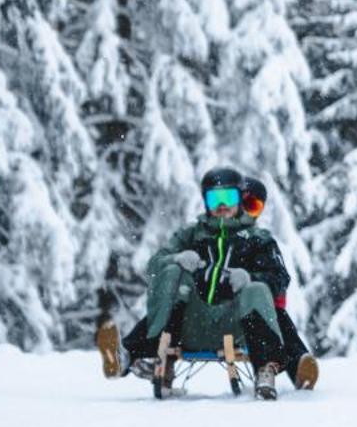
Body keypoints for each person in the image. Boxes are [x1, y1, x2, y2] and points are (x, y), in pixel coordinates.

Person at [102, 166, 290, 399]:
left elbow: (280, 278)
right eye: (214, 199)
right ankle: (126, 356)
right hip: (190, 323)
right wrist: (176, 258)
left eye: (228, 197)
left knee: (256, 289)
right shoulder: (192, 235)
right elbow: (154, 266)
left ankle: (265, 369)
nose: (222, 205)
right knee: (173, 274)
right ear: (205, 202)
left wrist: (250, 277)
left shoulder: (257, 239)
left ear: (241, 199)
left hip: (238, 324)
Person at [237, 176, 320, 391]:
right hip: (217, 311)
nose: (246, 212)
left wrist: (253, 281)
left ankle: (299, 366)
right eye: (243, 204)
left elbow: (279, 277)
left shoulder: (260, 241)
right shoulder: (214, 237)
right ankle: (296, 359)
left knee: (275, 316)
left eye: (253, 207)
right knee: (273, 317)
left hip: (251, 312)